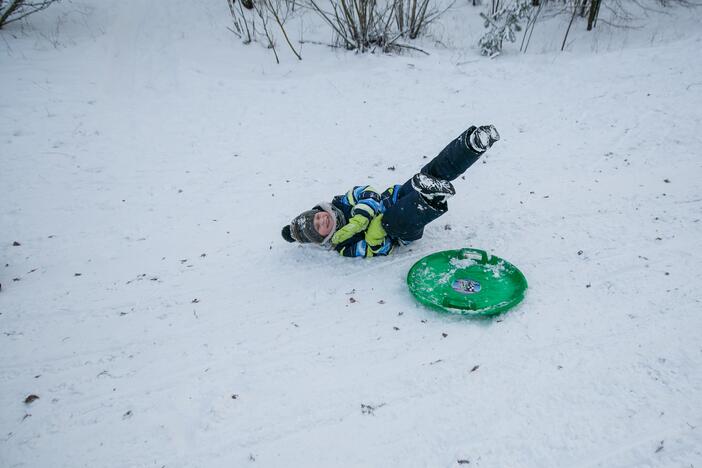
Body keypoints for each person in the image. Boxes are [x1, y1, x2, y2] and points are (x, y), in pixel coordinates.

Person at [281, 125, 500, 258]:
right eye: (318, 227)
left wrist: (361, 217)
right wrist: (374, 237)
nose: (321, 221)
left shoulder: (340, 202)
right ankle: (430, 198)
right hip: (401, 231)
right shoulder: (343, 246)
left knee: (428, 174)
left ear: (318, 211)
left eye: (317, 217)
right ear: (320, 238)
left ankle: (470, 146)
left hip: (395, 197)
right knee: (387, 221)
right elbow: (378, 249)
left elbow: (367, 193)